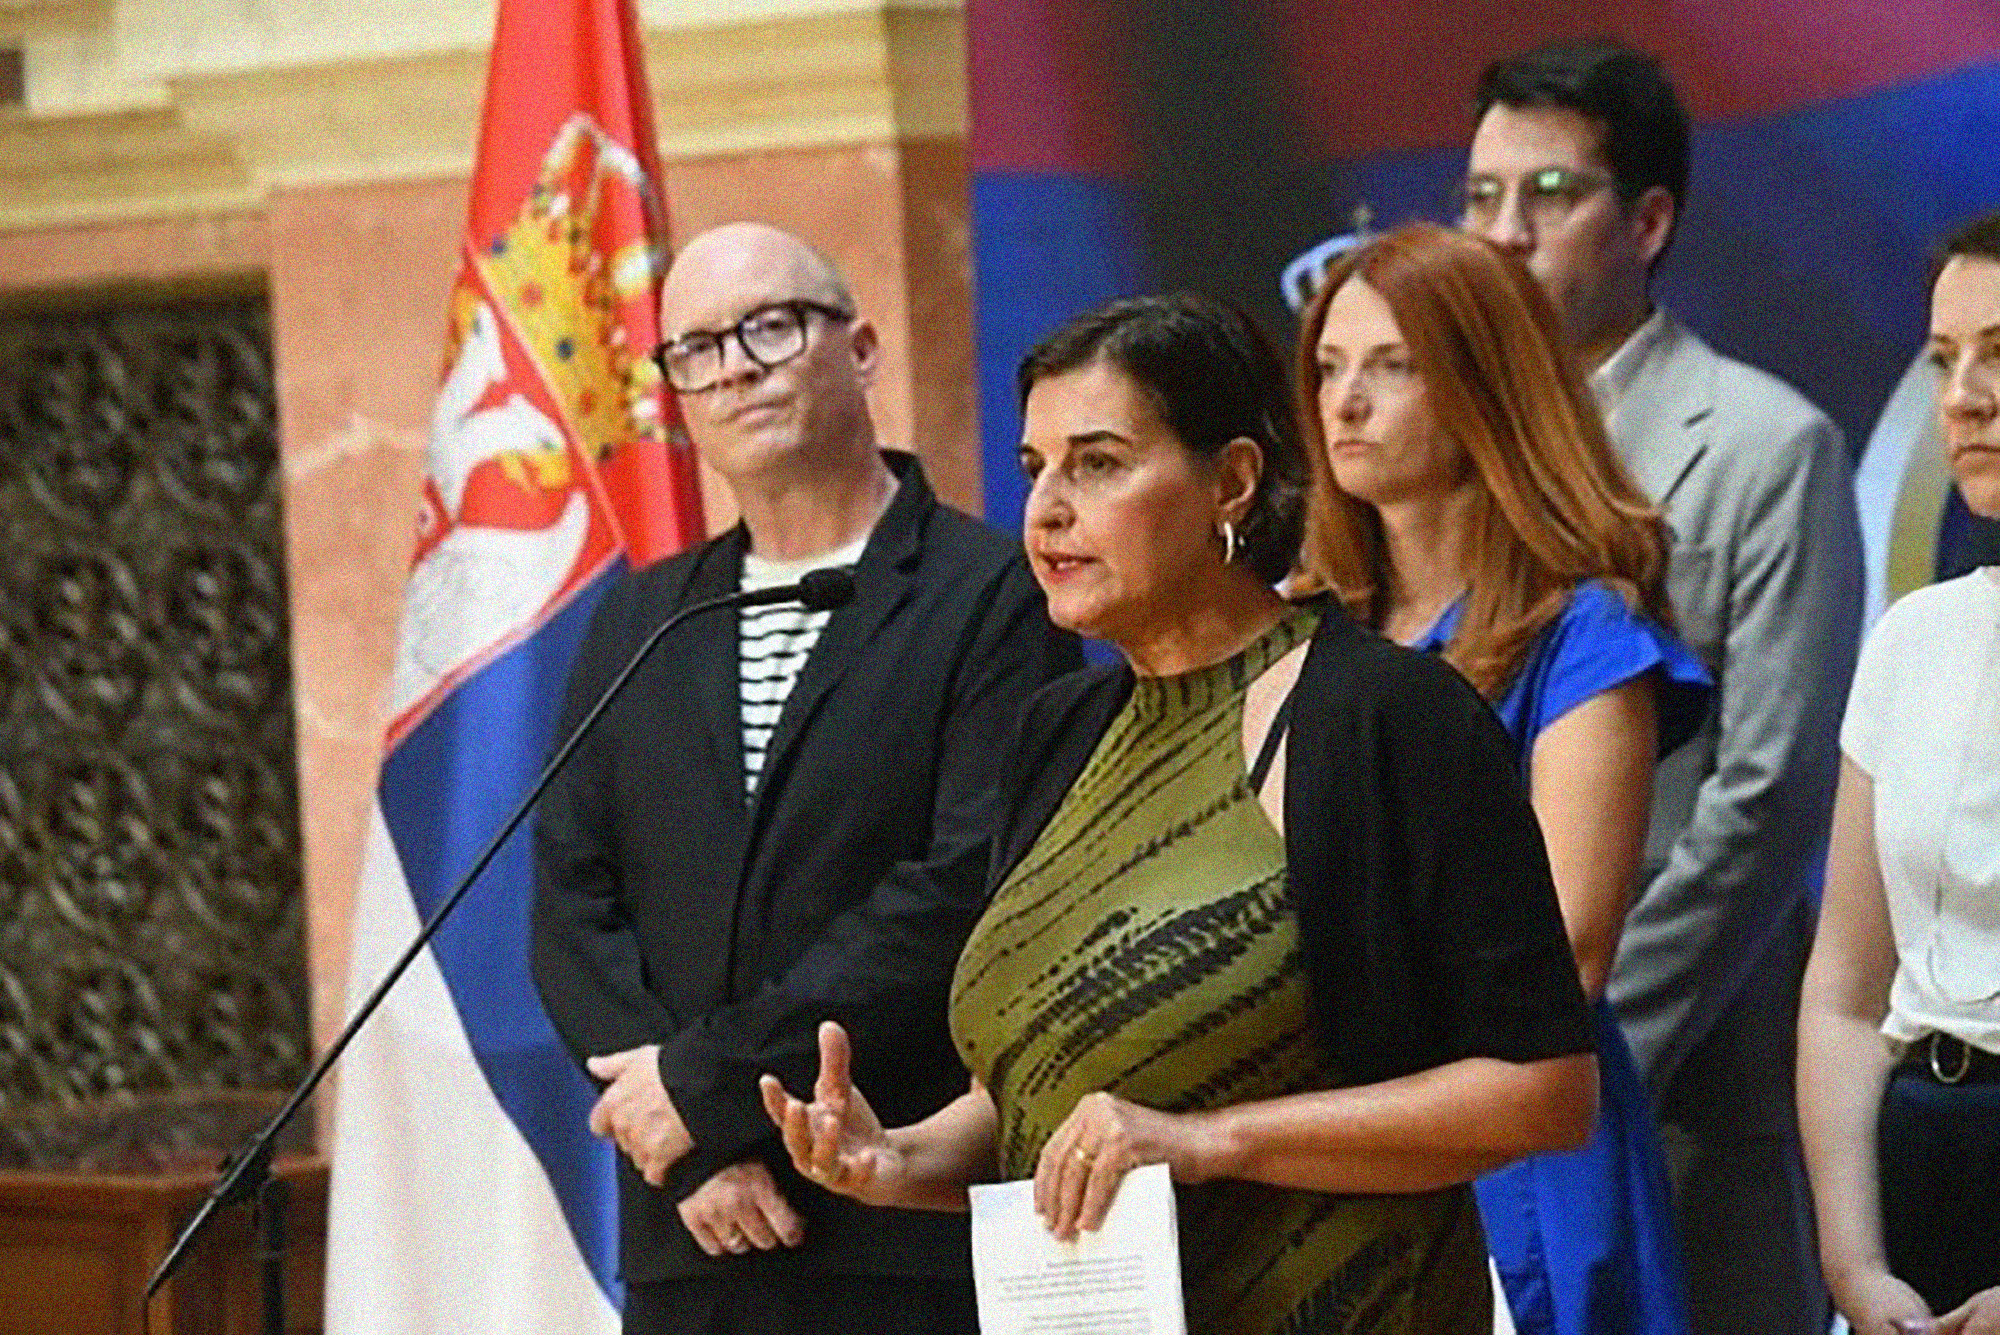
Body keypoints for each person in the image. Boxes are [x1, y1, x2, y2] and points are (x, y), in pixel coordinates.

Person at [761, 291, 1600, 1335]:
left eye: (1098, 463)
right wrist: (896, 1160)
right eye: (1034, 470)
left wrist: (1211, 1139)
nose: (1047, 509)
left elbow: (1542, 1091)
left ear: (1231, 482)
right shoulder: (1054, 733)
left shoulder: (1382, 715)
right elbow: (1047, 1100)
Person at [530, 221, 1080, 1334]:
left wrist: (709, 1089)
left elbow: (961, 889)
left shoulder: (991, 595)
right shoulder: (644, 615)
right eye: (693, 350)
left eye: (767, 329)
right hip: (689, 1228)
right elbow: (571, 906)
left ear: (862, 349)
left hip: (903, 1224)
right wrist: (684, 1148)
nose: (731, 367)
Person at [1461, 40, 1865, 1334]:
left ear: (1647, 218)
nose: (1504, 234)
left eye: (1549, 195)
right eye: (1479, 199)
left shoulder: (1762, 442)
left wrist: (1579, 1044)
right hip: (1449, 1089)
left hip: (1677, 1065)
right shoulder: (1433, 450)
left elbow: (1768, 791)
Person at [1293, 220, 1706, 1335]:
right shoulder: (1298, 634)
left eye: (1390, 367)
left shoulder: (1578, 638)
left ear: (1485, 384)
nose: (1343, 403)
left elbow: (1565, 952)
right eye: (1329, 368)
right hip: (1308, 1146)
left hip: (1507, 1144)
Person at [1798, 212, 2000, 1335]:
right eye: (1941, 360)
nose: (1962, 396)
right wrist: (1851, 1268)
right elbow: (1842, 988)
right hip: (1915, 1161)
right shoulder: (1914, 637)